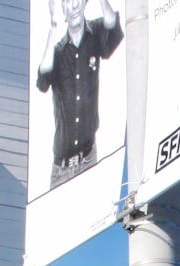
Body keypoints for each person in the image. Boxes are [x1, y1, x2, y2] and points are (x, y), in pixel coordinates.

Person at [37, 0, 123, 189]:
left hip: (88, 159)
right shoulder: (57, 53)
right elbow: (42, 80)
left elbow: (114, 27)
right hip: (62, 169)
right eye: (69, 1)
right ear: (62, 7)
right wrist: (52, 28)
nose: (75, 5)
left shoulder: (95, 33)